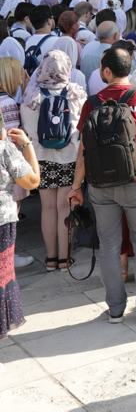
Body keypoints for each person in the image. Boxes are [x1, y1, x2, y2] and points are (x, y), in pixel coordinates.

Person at [69, 46, 136, 323]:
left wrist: (76, 187)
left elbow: (82, 151)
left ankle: (115, 308)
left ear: (106, 71)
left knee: (109, 244)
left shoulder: (93, 102)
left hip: (100, 184)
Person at [21, 50, 85, 271]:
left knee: (47, 208)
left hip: (40, 159)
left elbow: (29, 132)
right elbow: (80, 128)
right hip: (69, 158)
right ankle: (65, 259)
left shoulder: (30, 96)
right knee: (65, 208)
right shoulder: (76, 93)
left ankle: (50, 259)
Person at [1, 124, 38, 338]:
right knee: (1, 279)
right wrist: (26, 144)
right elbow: (32, 181)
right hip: (2, 220)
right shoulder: (4, 148)